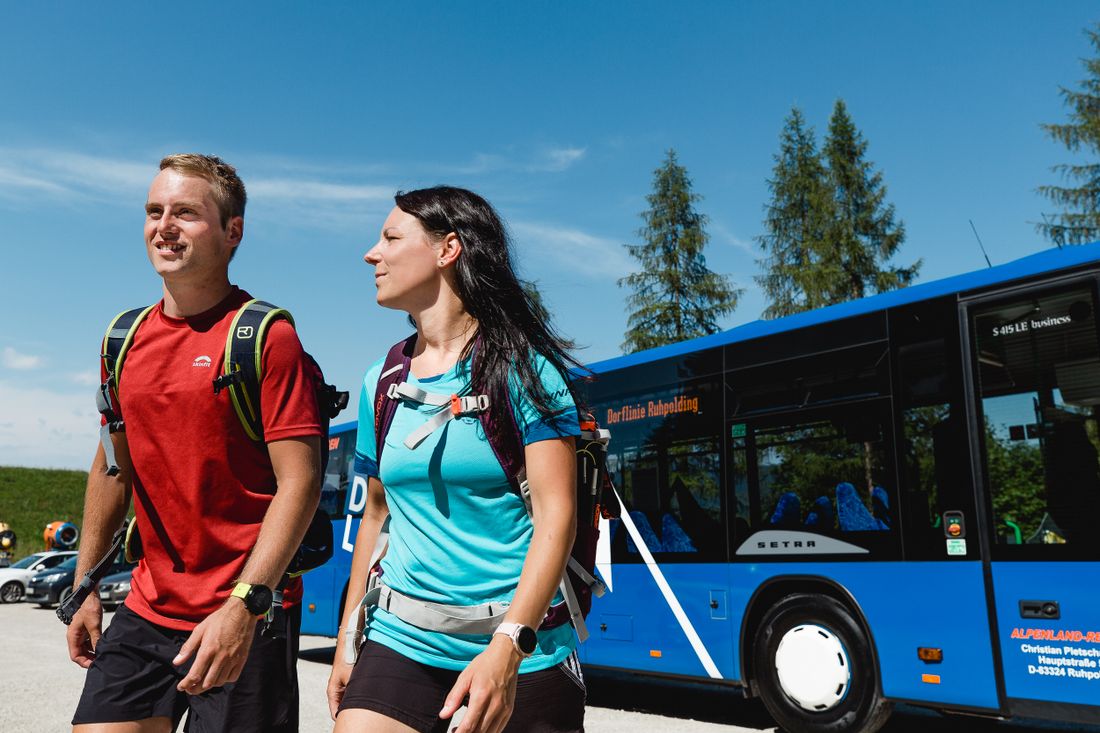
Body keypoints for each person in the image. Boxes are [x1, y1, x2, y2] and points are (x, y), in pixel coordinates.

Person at [66, 153, 323, 732]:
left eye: (186, 213)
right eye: (155, 211)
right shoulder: (121, 340)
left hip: (246, 611)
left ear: (233, 232)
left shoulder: (266, 337)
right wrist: (84, 584)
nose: (165, 226)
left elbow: (301, 483)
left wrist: (244, 606)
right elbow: (113, 468)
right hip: (146, 608)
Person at [327, 186, 587, 733]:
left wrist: (508, 649)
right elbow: (375, 515)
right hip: (401, 639)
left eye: (391, 238)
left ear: (448, 249)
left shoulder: (525, 371)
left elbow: (556, 517)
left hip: (519, 645)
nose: (371, 254)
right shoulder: (384, 379)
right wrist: (351, 639)